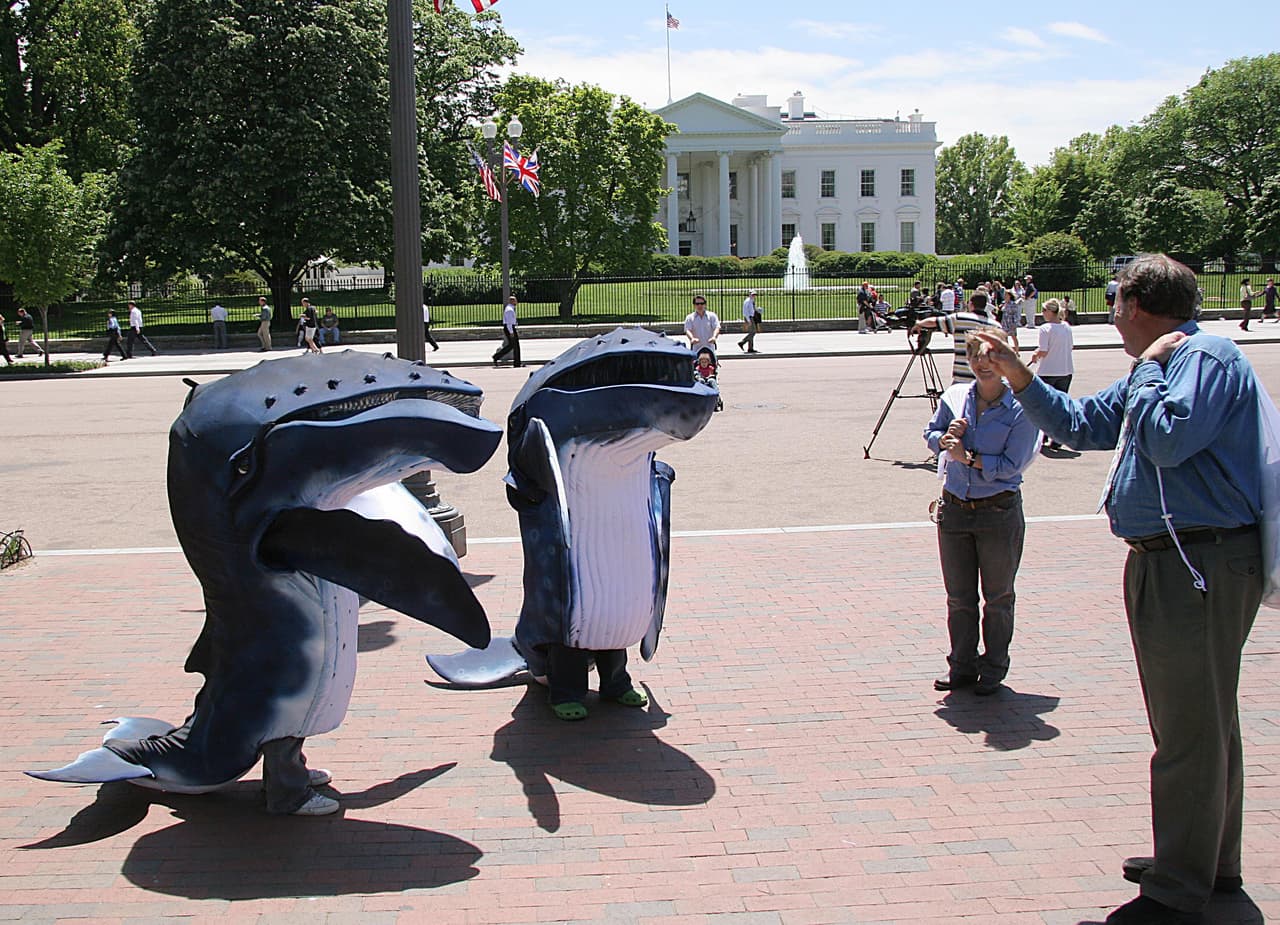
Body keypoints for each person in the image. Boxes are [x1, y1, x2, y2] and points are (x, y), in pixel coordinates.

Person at [972, 254, 1263, 925]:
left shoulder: (1201, 358)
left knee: (1191, 727)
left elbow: (1166, 440)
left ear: (1136, 304)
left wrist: (1154, 366)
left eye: (1115, 301)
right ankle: (1204, 859)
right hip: (1175, 560)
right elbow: (1082, 424)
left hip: (1199, 563)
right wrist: (1017, 373)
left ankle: (1179, 887)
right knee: (1200, 720)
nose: (1110, 312)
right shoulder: (1162, 365)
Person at [923, 327, 1039, 697]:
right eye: (974, 355)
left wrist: (968, 458)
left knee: (998, 596)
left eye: (989, 356)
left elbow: (1013, 464)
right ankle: (961, 665)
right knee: (959, 597)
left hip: (997, 512)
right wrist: (941, 440)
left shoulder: (1022, 408)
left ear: (1006, 359)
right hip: (954, 509)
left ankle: (993, 668)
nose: (981, 363)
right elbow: (931, 431)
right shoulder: (958, 396)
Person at [911, 292, 1001, 384]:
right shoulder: (996, 326)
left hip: (962, 377)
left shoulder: (960, 318)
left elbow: (935, 321)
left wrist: (919, 323)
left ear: (970, 304)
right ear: (985, 305)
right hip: (987, 379)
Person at [1028, 299, 1073, 449]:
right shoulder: (1066, 327)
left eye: (1044, 310)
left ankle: (1043, 436)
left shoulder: (1045, 328)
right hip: (1065, 370)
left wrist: (1035, 354)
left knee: (1043, 406)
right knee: (1060, 405)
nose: (1042, 314)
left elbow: (1044, 350)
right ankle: (1057, 438)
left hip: (1048, 370)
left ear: (1049, 312)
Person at [492, 295, 521, 367]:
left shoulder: (511, 309)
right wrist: (511, 332)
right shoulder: (509, 310)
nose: (516, 302)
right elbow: (509, 323)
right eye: (515, 300)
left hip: (510, 327)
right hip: (510, 328)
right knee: (516, 346)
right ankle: (517, 363)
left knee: (511, 345)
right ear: (512, 301)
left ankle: (496, 357)